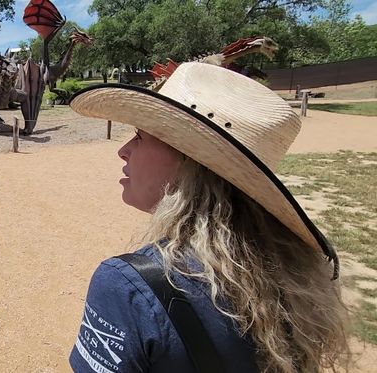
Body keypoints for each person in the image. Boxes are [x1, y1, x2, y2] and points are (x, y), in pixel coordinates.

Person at [67, 62, 349, 373]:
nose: (124, 150)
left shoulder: (128, 286)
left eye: (140, 136)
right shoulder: (289, 274)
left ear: (188, 160)